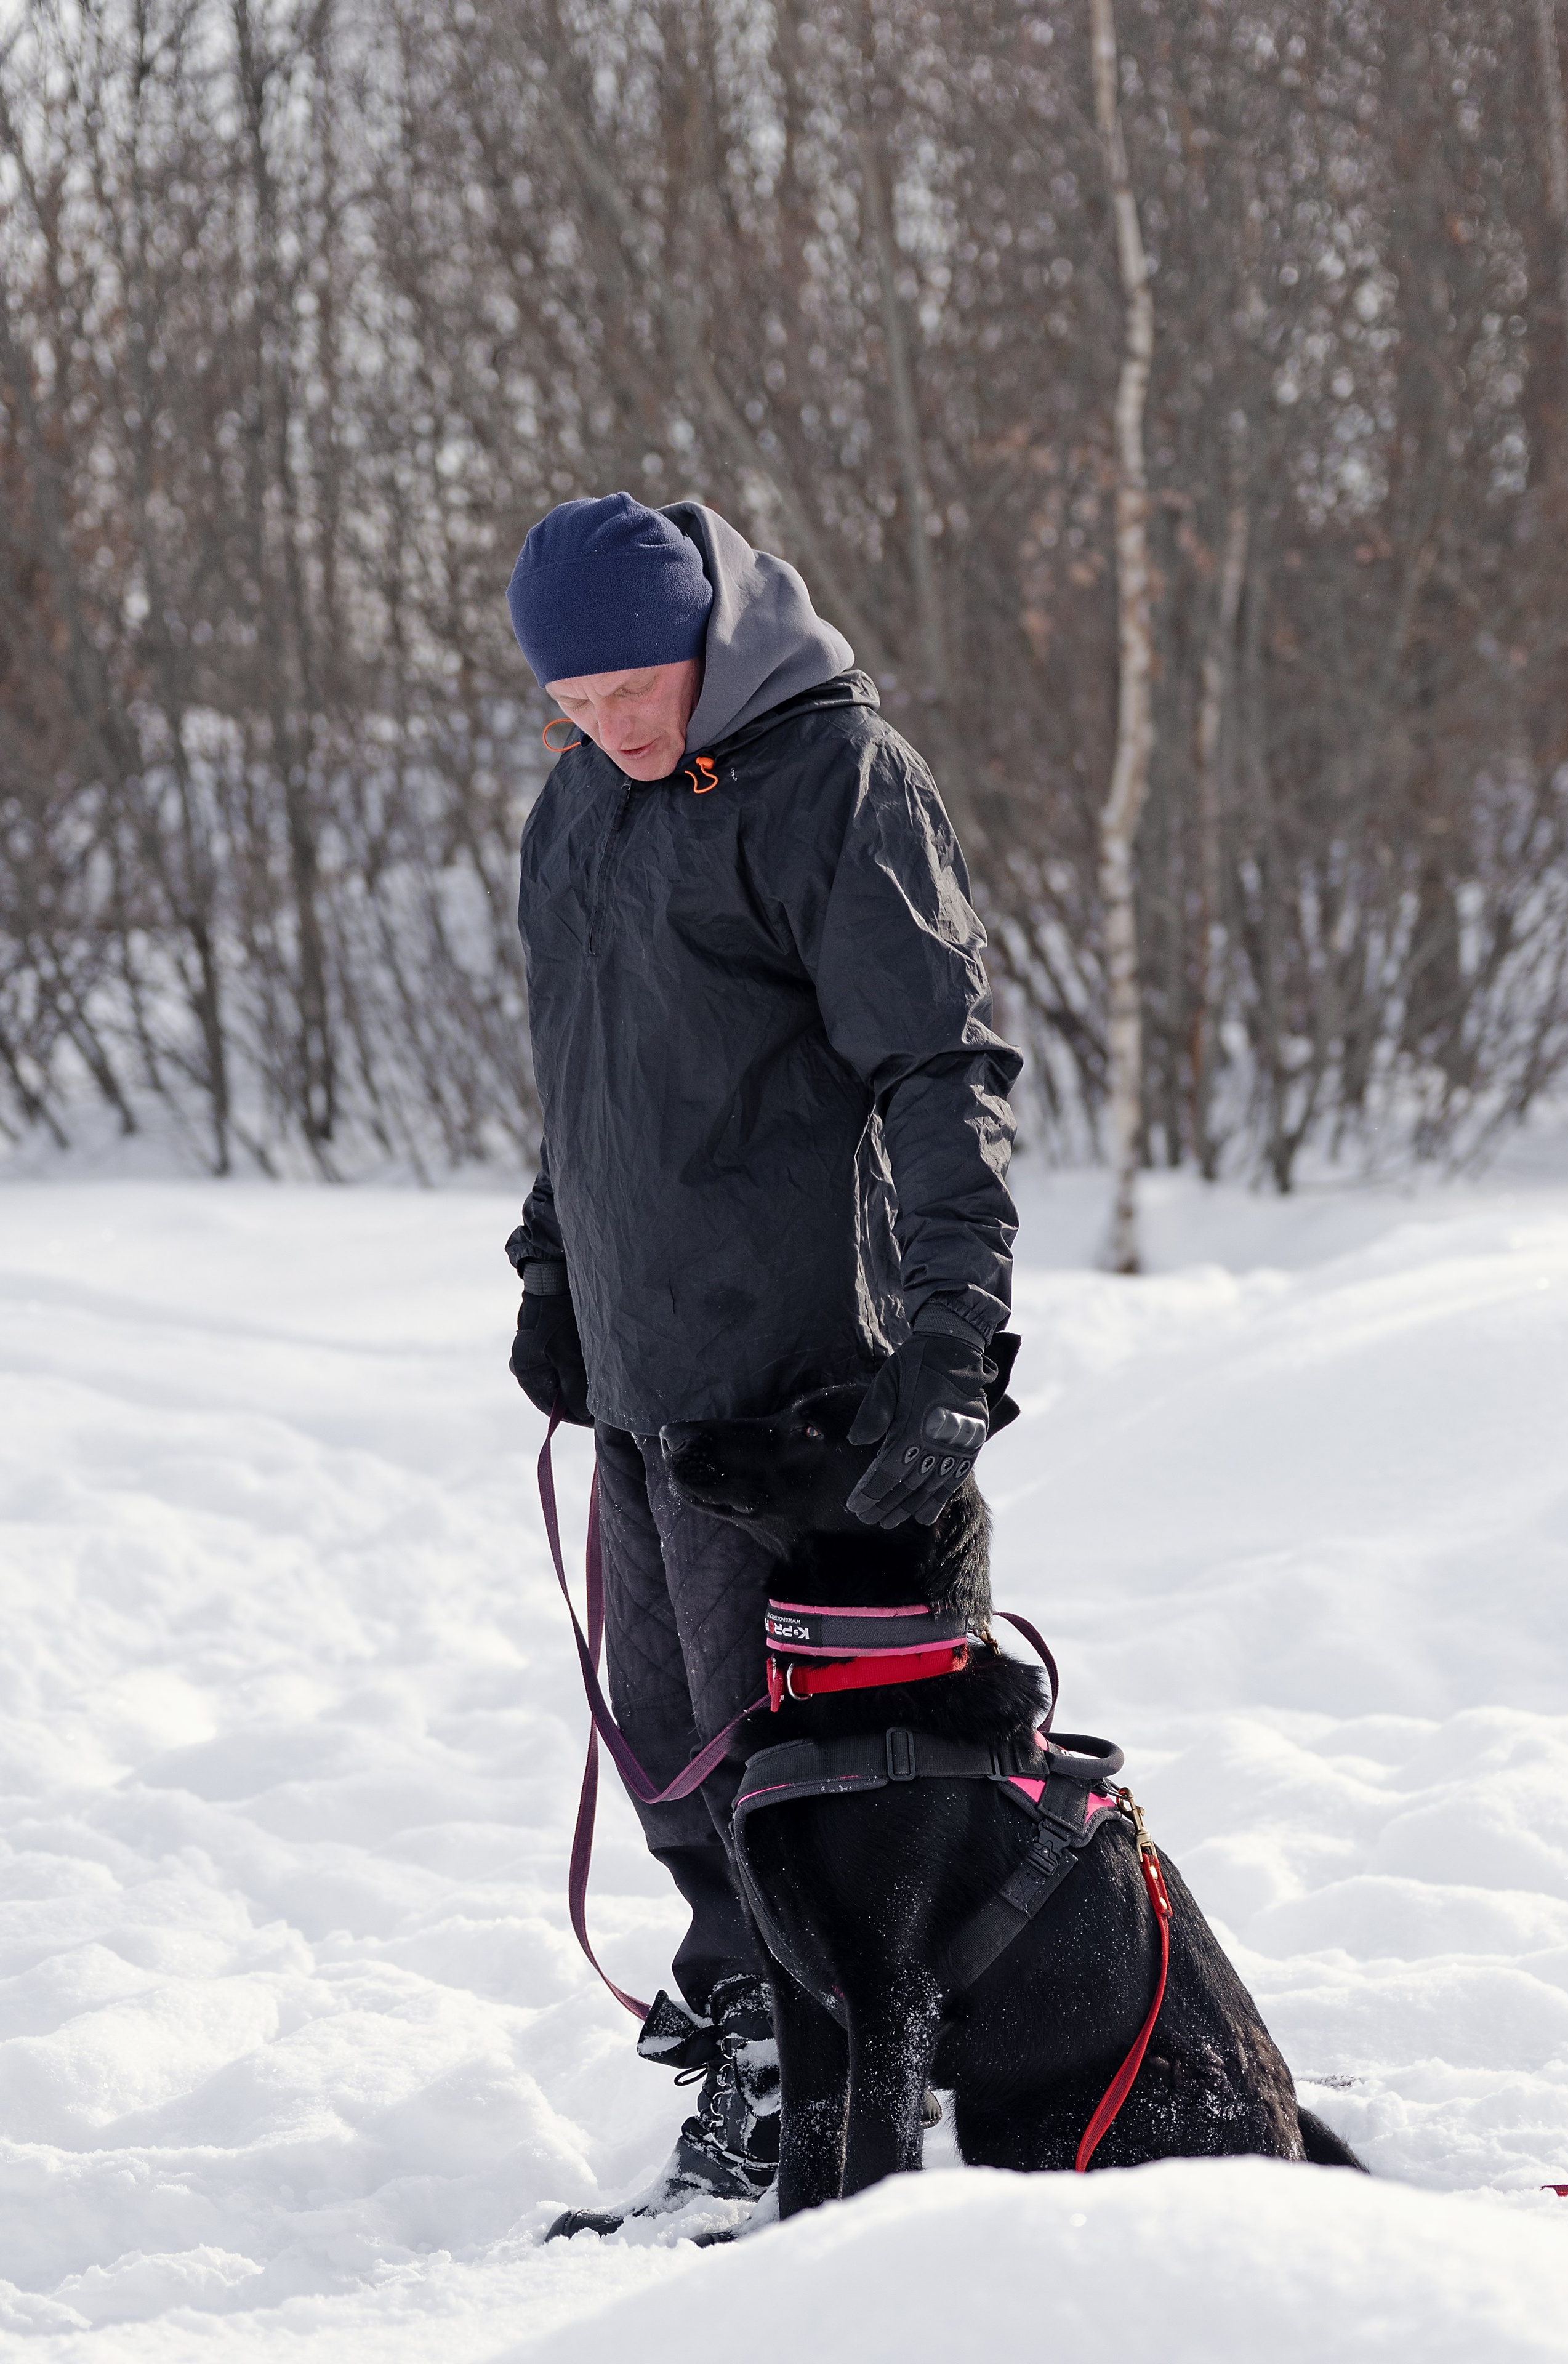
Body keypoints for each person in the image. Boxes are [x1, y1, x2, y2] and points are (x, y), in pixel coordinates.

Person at [504, 491, 1020, 2233]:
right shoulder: (579, 807)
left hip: (807, 1375)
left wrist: (956, 1333)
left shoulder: (831, 778)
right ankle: (748, 2039)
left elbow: (941, 1065)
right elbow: (588, 1073)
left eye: (637, 689)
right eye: (574, 705)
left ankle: (840, 2094)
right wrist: (551, 1260)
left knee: (798, 1760)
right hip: (649, 1371)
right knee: (666, 1733)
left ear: (712, 643)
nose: (612, 728)